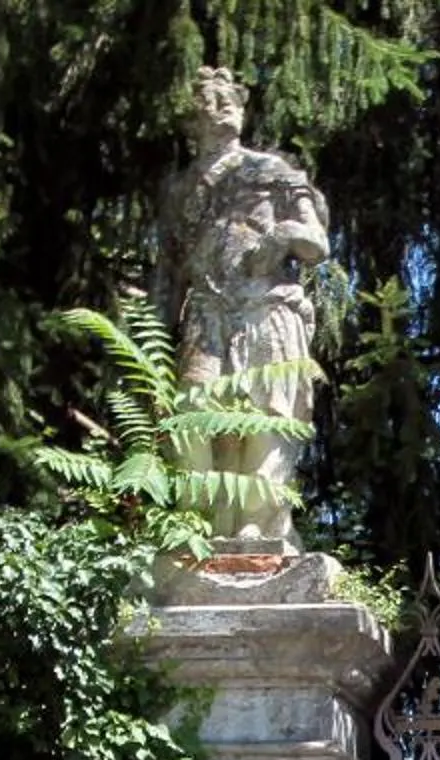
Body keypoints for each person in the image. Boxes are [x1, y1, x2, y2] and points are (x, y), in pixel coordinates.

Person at [159, 68, 330, 544]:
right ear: (191, 121)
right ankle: (201, 522)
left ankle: (259, 523)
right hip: (206, 313)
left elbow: (317, 242)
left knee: (269, 414)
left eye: (229, 97)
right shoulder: (178, 190)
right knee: (193, 417)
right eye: (209, 101)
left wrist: (282, 235)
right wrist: (152, 345)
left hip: (266, 307)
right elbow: (167, 273)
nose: (223, 105)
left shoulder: (272, 172)